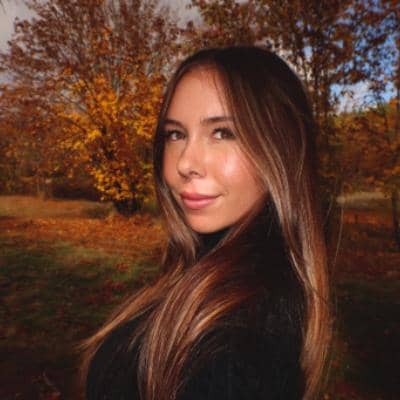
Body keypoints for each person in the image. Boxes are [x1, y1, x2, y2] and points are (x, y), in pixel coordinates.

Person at [82, 46, 331, 400]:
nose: (185, 162)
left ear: (281, 148)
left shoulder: (238, 346)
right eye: (175, 134)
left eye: (223, 133)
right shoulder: (209, 267)